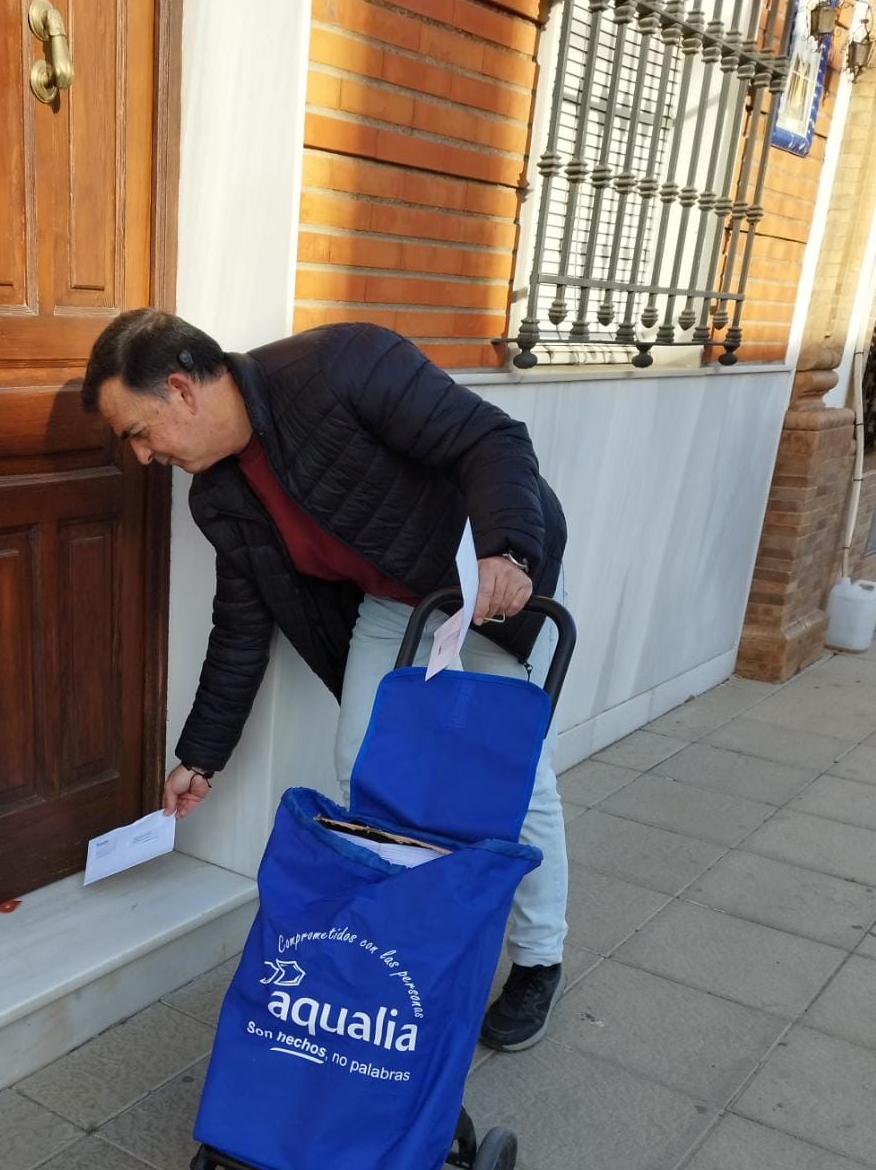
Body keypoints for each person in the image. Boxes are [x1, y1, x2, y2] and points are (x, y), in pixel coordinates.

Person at [81, 309, 569, 1052]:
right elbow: (241, 628)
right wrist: (200, 757)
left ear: (180, 389)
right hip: (394, 606)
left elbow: (492, 439)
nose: (145, 456)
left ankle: (537, 958)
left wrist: (508, 551)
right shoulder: (218, 497)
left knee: (516, 782)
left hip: (485, 585)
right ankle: (396, 946)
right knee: (365, 765)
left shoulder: (340, 365)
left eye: (139, 433)